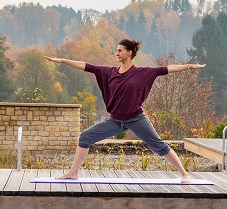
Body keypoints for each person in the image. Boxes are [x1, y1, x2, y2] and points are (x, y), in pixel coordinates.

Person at [45, 39, 204, 182]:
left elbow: (168, 69)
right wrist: (63, 61)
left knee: (159, 146)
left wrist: (189, 67)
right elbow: (85, 65)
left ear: (129, 53)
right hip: (115, 120)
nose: (117, 53)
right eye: (117, 50)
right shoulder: (108, 72)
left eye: (120, 50)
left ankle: (184, 173)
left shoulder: (143, 73)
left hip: (136, 119)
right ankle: (73, 173)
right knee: (85, 137)